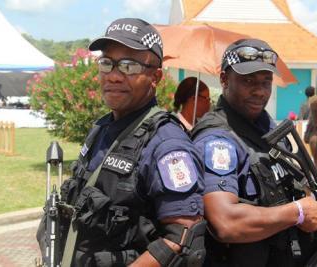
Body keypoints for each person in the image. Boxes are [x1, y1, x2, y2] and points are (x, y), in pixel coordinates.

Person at [38, 18, 206, 267]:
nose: (114, 76)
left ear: (155, 77)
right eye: (107, 63)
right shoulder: (101, 128)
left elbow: (182, 237)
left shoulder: (167, 146)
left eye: (129, 66)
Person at [191, 39, 317, 267]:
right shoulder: (218, 140)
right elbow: (224, 222)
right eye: (248, 81)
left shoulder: (272, 131)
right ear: (224, 79)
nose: (259, 91)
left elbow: (293, 195)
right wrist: (299, 212)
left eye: (266, 81)